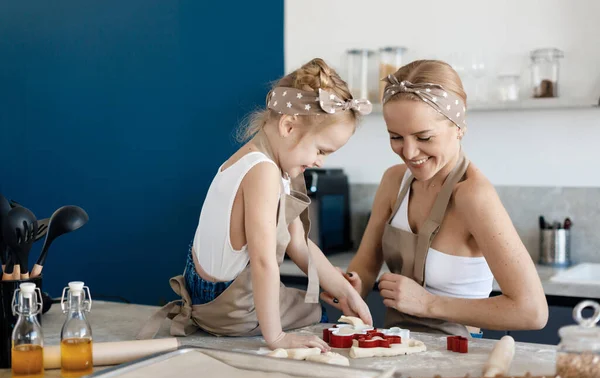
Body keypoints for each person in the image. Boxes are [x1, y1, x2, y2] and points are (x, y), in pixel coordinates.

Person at [138, 58, 373, 349]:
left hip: (204, 300)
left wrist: (344, 292)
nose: (319, 161)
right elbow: (262, 261)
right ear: (288, 126)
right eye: (320, 150)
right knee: (316, 311)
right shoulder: (264, 171)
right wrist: (276, 338)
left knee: (307, 300)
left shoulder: (251, 160)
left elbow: (298, 244)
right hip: (233, 308)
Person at [322, 60, 548, 337]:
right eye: (396, 137)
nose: (409, 152)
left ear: (459, 126)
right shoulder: (394, 181)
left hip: (459, 351)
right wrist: (350, 286)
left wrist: (428, 303)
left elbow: (532, 311)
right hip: (397, 343)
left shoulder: (474, 196)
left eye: (424, 137)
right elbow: (367, 264)